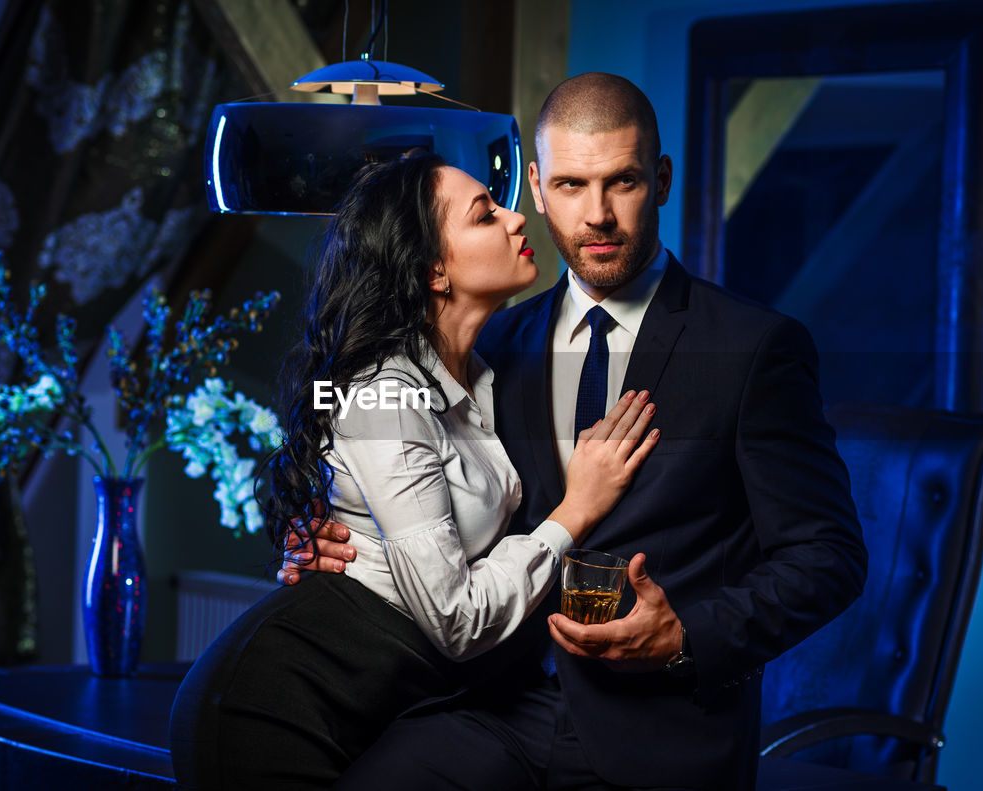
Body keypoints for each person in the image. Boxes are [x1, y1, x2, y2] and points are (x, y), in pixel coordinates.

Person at [288, 73, 869, 790]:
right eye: (569, 185)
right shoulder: (494, 343)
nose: (596, 214)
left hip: (661, 734)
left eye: (620, 182)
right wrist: (343, 541)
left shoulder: (755, 349)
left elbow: (829, 555)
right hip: (492, 707)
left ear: (659, 180)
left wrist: (687, 637)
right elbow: (432, 496)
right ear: (535, 187)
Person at [168, 151, 661, 789]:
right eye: (486, 216)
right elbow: (455, 619)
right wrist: (578, 509)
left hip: (387, 706)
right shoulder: (382, 393)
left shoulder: (480, 375)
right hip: (275, 708)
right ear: (433, 270)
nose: (518, 220)